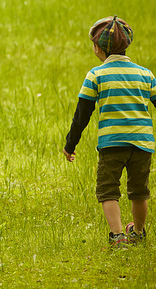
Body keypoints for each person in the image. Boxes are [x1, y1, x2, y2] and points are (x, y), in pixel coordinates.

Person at [63, 16, 156, 247]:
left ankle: (117, 236)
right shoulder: (146, 75)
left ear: (97, 48)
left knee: (108, 190)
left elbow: (82, 115)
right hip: (143, 144)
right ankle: (138, 232)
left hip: (112, 143)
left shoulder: (96, 75)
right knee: (139, 191)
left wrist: (70, 145)